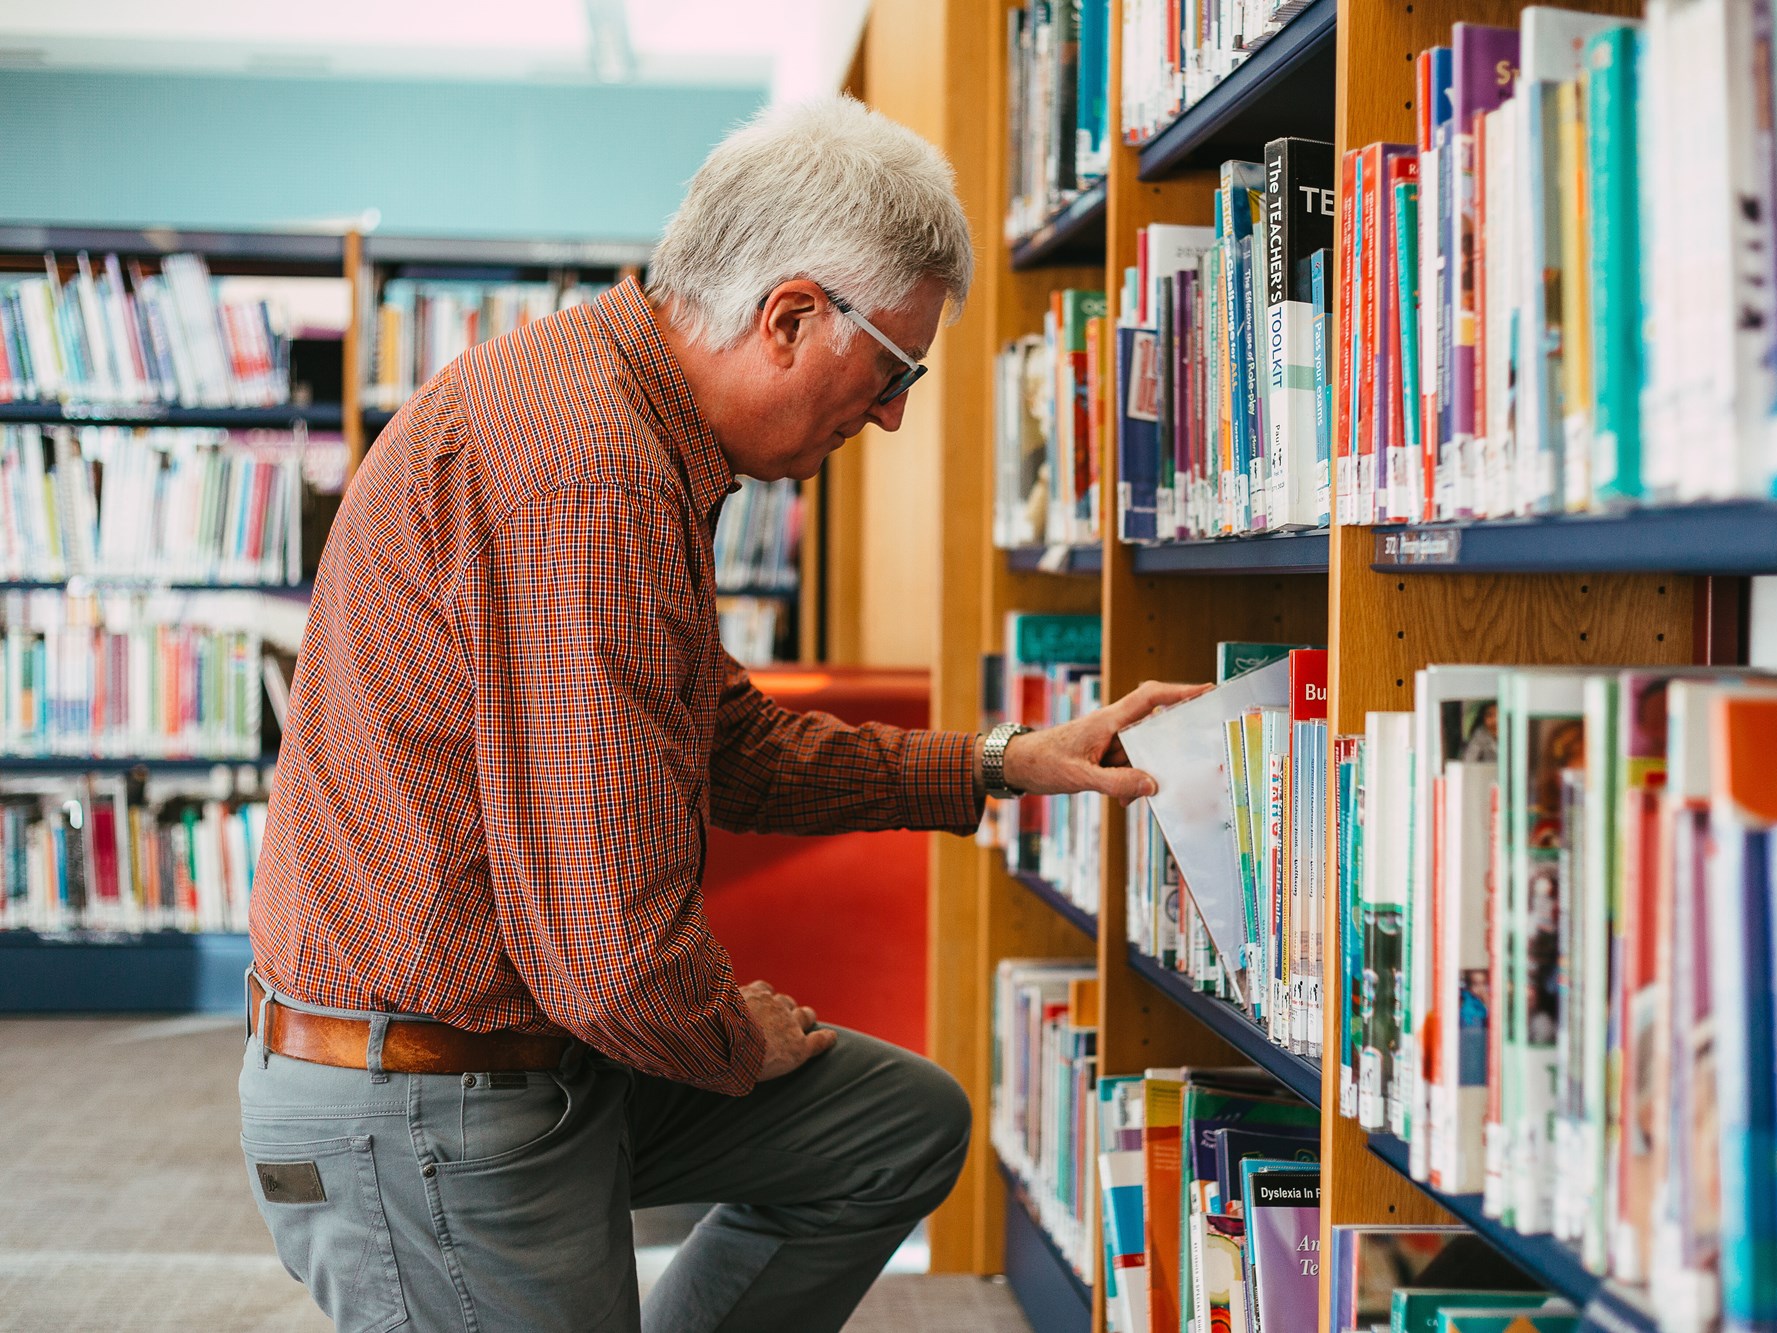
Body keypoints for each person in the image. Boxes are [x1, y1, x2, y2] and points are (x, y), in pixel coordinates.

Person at [239, 95, 1198, 1333]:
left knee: (891, 1126)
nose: (895, 413)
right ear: (791, 316)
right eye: (895, 370)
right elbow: (610, 958)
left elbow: (727, 743)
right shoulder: (590, 475)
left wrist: (1002, 764)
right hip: (435, 1092)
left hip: (534, 1043)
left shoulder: (627, 418)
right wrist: (732, 1037)